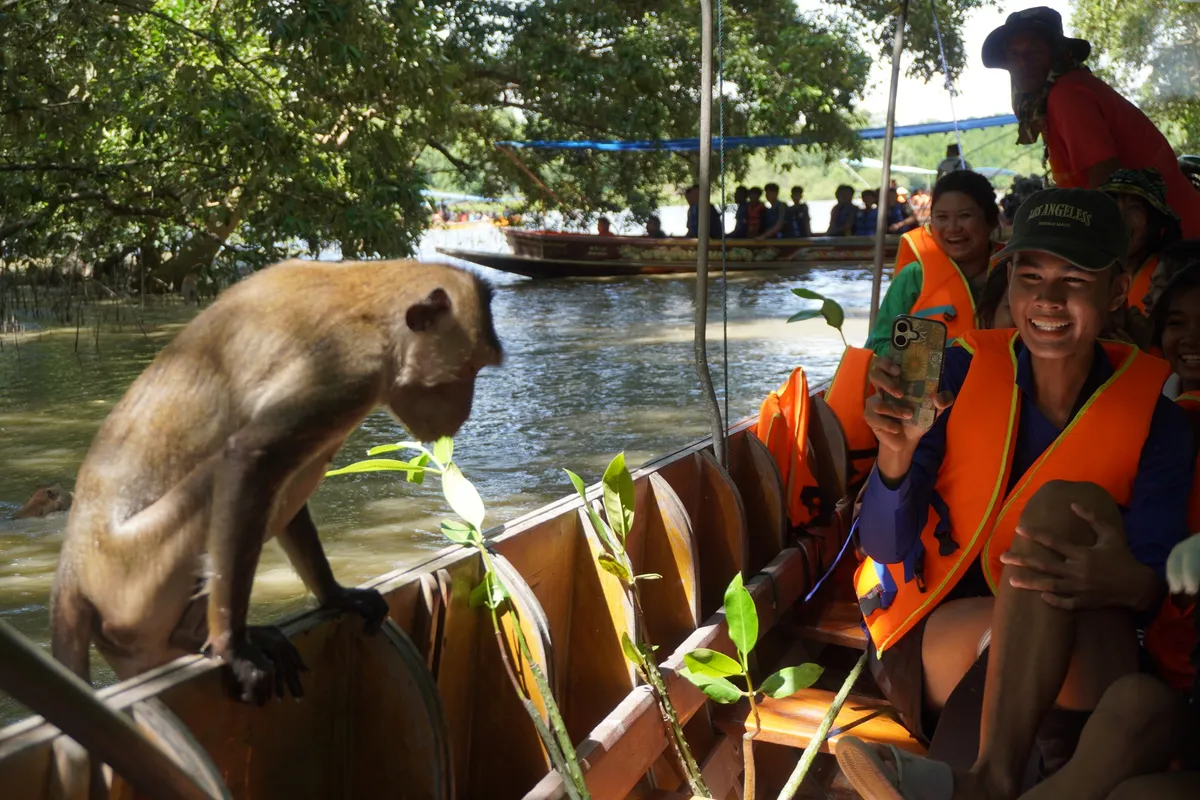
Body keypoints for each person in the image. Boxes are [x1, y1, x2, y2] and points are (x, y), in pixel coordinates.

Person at [835, 188, 1194, 800]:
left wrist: (1122, 581)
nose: (1049, 300)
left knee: (1073, 532)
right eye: (1032, 276)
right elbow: (887, 544)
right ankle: (1022, 773)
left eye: (1075, 279)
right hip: (939, 626)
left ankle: (988, 784)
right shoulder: (954, 372)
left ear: (1114, 294)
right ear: (1012, 288)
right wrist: (894, 457)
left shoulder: (1161, 416)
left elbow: (1152, 580)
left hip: (1089, 643)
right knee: (1132, 697)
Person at [984, 6, 1200, 237]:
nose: (1022, 63)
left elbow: (1110, 190)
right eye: (1014, 53)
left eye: (1036, 51)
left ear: (1058, 54)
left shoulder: (1068, 95)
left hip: (1174, 242)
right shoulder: (1058, 96)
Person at [865, 171, 1002, 356]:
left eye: (964, 216)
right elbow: (877, 346)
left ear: (991, 220)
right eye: (942, 217)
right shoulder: (913, 277)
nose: (953, 228)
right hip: (935, 384)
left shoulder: (1016, 272)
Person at [1099, 168, 1182, 315]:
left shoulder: (1172, 279)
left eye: (1134, 207)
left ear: (1154, 224)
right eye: (1111, 204)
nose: (1119, 217)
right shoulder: (1085, 270)